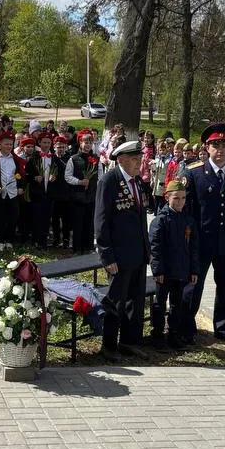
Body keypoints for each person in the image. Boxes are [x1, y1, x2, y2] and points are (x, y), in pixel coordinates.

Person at [181, 123, 225, 343]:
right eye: (215, 145)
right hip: (201, 240)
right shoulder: (194, 173)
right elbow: (187, 210)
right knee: (194, 284)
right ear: (206, 147)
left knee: (224, 284)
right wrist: (187, 238)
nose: (220, 150)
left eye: (224, 145)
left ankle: (222, 328)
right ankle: (186, 327)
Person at [95, 139, 150, 357]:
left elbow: (140, 218)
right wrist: (107, 256)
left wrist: (147, 250)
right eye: (135, 159)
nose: (139, 163)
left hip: (138, 253)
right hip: (118, 255)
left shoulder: (137, 182)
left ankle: (129, 341)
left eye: (140, 159)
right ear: (122, 160)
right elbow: (101, 221)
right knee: (116, 300)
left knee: (135, 301)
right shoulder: (110, 181)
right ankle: (108, 345)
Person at [149, 179, 199, 350]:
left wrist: (194, 269)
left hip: (182, 270)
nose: (180, 202)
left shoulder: (188, 220)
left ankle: (174, 334)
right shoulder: (161, 220)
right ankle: (157, 334)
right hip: (165, 271)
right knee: (160, 303)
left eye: (183, 198)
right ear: (167, 198)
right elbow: (155, 248)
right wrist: (158, 270)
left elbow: (193, 247)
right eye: (176, 198)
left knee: (177, 304)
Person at [0, 132, 25, 244]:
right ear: (0, 144)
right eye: (6, 144)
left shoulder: (16, 159)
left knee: (13, 216)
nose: (8, 147)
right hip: (0, 192)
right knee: (0, 216)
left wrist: (20, 186)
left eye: (10, 144)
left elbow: (20, 174)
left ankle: (9, 239)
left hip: (13, 192)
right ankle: (0, 239)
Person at [64, 129, 98, 253]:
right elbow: (67, 177)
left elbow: (99, 177)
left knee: (89, 223)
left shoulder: (96, 159)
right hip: (78, 197)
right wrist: (79, 182)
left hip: (91, 196)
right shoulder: (73, 159)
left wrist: (95, 189)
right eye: (85, 142)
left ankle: (88, 246)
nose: (87, 144)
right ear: (80, 143)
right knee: (78, 222)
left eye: (90, 142)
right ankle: (77, 247)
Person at [26, 131, 60, 246]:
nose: (46, 145)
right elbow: (27, 174)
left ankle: (43, 241)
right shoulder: (34, 158)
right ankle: (35, 240)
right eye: (44, 142)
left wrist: (54, 176)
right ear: (39, 143)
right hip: (37, 193)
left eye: (48, 142)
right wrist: (35, 178)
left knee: (47, 217)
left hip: (49, 194)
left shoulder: (54, 158)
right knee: (36, 216)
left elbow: (60, 173)